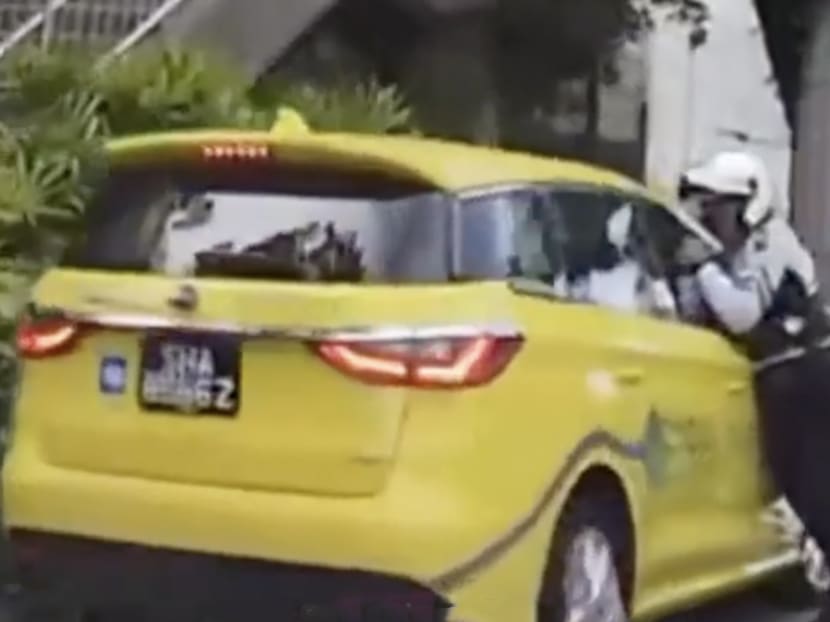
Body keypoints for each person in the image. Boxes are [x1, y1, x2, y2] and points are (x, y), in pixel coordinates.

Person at [677, 150, 830, 619]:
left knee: (811, 490)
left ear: (749, 203)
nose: (711, 216)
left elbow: (741, 313)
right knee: (805, 492)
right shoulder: (741, 252)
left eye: (719, 205)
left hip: (803, 375)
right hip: (783, 377)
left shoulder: (770, 242)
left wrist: (702, 269)